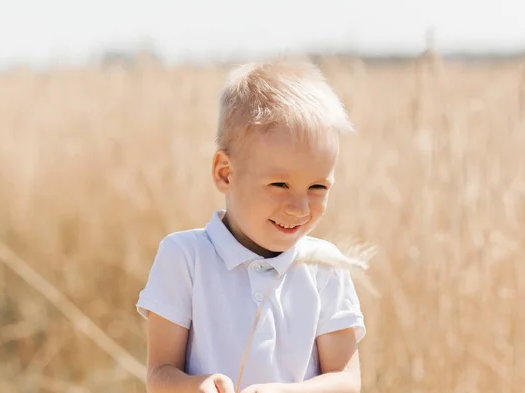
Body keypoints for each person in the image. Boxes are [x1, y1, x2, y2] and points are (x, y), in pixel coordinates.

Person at [136, 58, 367, 393]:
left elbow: (347, 381)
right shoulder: (185, 257)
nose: (300, 207)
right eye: (280, 185)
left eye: (318, 187)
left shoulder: (325, 266)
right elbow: (159, 374)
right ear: (225, 173)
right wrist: (197, 386)